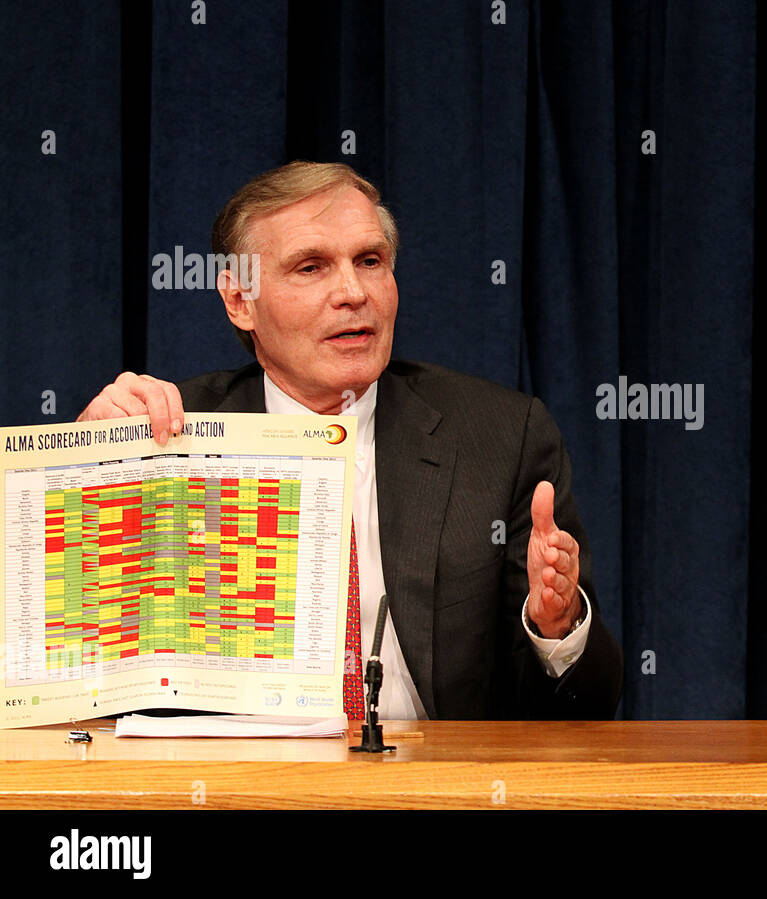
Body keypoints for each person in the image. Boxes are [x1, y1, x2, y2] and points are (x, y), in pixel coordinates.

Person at [77, 162, 622, 720]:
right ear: (240, 300)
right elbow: (70, 692)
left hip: (431, 791)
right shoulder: (165, 439)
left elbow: (586, 713)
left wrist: (556, 628)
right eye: (311, 267)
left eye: (370, 261)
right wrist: (81, 484)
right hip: (227, 791)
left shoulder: (500, 437)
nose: (352, 292)